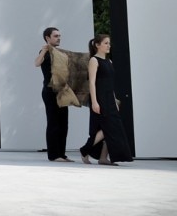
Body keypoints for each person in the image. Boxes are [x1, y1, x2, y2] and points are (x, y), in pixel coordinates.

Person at [79, 34, 133, 165]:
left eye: (109, 43)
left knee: (114, 128)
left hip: (110, 99)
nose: (109, 46)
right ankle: (84, 150)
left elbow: (110, 83)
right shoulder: (94, 60)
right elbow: (92, 83)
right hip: (100, 98)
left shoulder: (109, 62)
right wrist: (95, 102)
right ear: (97, 45)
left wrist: (114, 100)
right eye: (106, 43)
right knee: (106, 128)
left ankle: (103, 158)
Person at [33, 27, 72, 162]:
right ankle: (54, 155)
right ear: (47, 38)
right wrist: (44, 50)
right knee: (53, 122)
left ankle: (61, 154)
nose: (59, 38)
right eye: (55, 36)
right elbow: (36, 63)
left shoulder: (60, 53)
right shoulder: (45, 51)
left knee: (63, 123)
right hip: (50, 92)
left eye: (59, 35)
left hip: (62, 91)